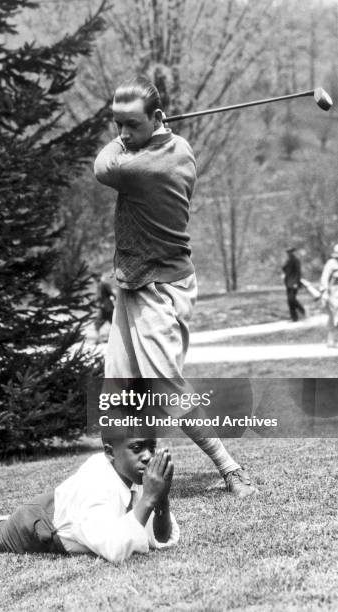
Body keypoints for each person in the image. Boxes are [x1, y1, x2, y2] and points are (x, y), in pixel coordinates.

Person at [93, 76, 257, 498]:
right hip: (136, 282)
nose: (123, 134)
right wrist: (144, 132)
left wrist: (125, 142)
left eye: (131, 124)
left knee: (163, 380)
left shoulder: (146, 166)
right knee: (117, 386)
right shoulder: (180, 146)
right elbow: (136, 142)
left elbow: (101, 165)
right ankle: (125, 483)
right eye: (118, 124)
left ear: (158, 118)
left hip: (159, 286)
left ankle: (230, 469)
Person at [0, 438, 178, 564]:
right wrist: (150, 498)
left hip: (58, 507)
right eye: (137, 448)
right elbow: (116, 549)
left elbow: (158, 538)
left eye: (151, 446)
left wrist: (160, 500)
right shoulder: (98, 486)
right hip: (37, 526)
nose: (147, 456)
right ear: (109, 452)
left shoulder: (132, 475)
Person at [319, 243, 338, 348]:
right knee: (334, 316)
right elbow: (324, 278)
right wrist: (324, 292)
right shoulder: (331, 263)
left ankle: (332, 340)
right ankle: (331, 340)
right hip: (334, 293)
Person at [282, 247, 305, 321]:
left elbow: (298, 273)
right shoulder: (287, 261)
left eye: (290, 252)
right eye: (288, 252)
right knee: (290, 300)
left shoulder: (296, 260)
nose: (289, 253)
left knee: (291, 299)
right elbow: (284, 269)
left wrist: (296, 282)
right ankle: (294, 317)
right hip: (288, 283)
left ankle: (302, 311)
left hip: (294, 283)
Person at [94, 272, 115, 343]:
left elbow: (109, 294)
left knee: (98, 323)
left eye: (96, 277)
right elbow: (112, 294)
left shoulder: (102, 284)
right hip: (107, 306)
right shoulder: (102, 284)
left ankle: (99, 339)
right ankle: (101, 338)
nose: (95, 279)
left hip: (105, 306)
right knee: (112, 322)